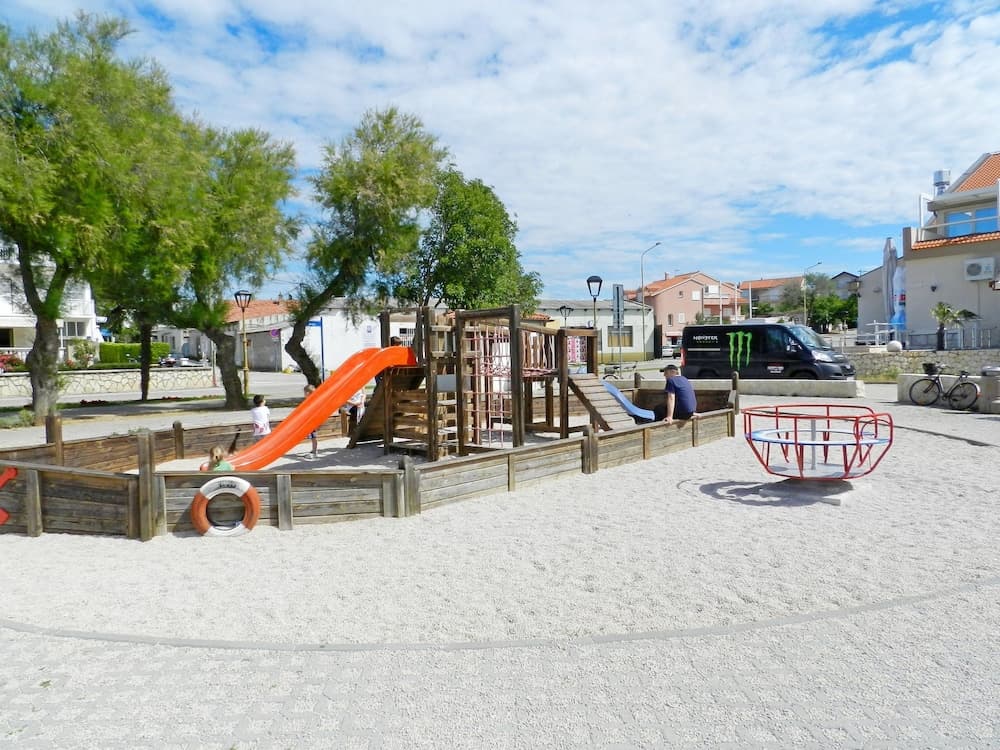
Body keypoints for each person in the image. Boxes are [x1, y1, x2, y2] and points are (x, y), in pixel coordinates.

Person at [303, 384, 319, 459]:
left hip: (312, 422)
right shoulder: (313, 400)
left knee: (313, 437)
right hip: (312, 421)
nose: (304, 394)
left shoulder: (311, 401)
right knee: (313, 437)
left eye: (304, 393)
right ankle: (314, 450)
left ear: (307, 393)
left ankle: (315, 452)